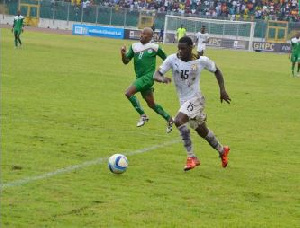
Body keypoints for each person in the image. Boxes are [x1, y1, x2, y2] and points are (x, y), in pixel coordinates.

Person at [153, 36, 231, 171]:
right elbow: (156, 73)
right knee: (202, 131)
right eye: (179, 48)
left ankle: (191, 157)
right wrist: (162, 79)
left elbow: (217, 71)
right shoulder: (172, 59)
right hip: (184, 102)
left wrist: (222, 90)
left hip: (196, 99)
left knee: (178, 120)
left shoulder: (201, 61)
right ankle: (222, 150)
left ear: (191, 47)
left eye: (183, 49)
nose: (180, 51)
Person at [120, 27, 173, 133]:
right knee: (152, 104)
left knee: (128, 93)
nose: (141, 35)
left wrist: (161, 75)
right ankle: (169, 119)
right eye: (141, 33)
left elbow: (167, 60)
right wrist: (122, 53)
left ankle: (143, 115)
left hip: (149, 78)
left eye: (144, 34)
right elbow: (126, 61)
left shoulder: (154, 47)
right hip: (140, 78)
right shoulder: (134, 46)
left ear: (150, 37)